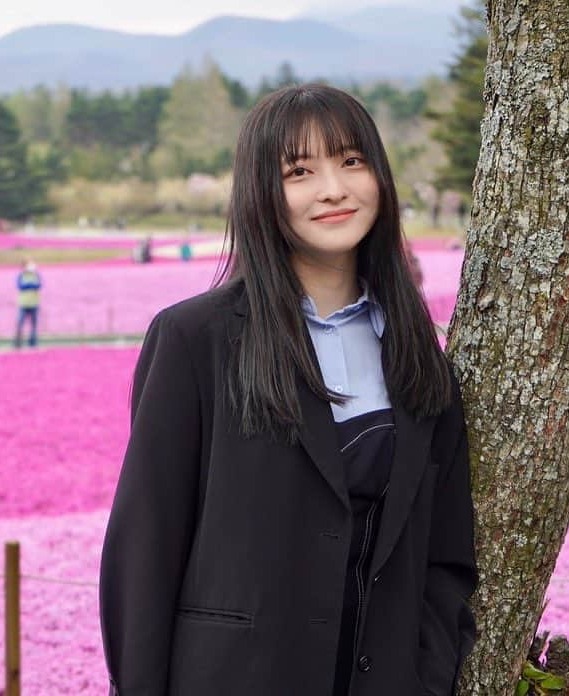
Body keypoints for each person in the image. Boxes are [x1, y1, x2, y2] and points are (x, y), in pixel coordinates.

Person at [100, 84, 478, 696]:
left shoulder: (414, 351)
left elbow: (445, 553)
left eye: (352, 161)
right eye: (299, 171)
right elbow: (145, 547)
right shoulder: (196, 339)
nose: (334, 188)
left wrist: (426, 677)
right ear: (261, 193)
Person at [14, 259, 41, 348]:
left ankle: (32, 342)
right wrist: (30, 285)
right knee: (20, 323)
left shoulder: (36, 275)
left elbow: (38, 285)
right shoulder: (21, 275)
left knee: (33, 324)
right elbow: (20, 286)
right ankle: (18, 342)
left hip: (34, 303)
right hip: (23, 304)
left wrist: (28, 285)